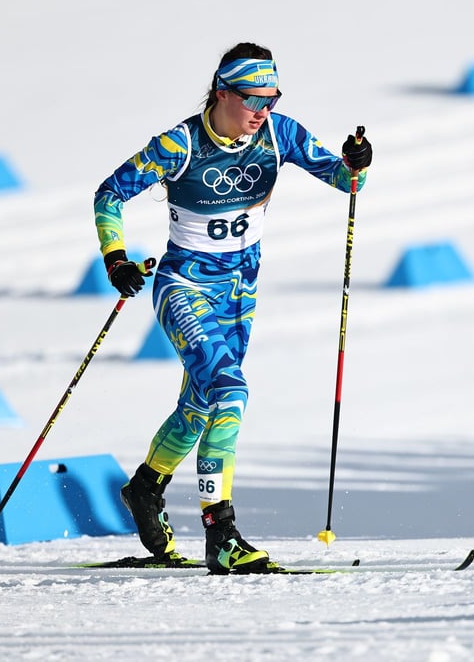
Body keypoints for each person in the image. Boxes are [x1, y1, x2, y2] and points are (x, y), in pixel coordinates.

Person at [93, 42, 372, 574]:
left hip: (239, 296)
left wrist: (357, 163)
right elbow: (109, 195)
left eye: (272, 98)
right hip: (185, 289)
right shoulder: (179, 145)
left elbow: (345, 180)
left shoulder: (278, 133)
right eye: (253, 100)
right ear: (223, 92)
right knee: (231, 393)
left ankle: (146, 488)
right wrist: (116, 260)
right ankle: (221, 534)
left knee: (200, 406)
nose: (263, 110)